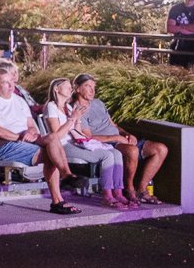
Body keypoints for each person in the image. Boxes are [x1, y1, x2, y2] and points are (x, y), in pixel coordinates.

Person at [0, 66, 78, 214]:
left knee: (53, 138)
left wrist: (31, 132)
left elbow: (31, 125)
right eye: (5, 82)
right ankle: (59, 198)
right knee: (51, 155)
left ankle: (66, 177)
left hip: (26, 141)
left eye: (11, 81)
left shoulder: (19, 100)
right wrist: (21, 137)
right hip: (5, 145)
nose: (11, 85)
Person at [70, 72, 168, 206]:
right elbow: (88, 137)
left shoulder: (98, 103)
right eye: (88, 86)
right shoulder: (77, 109)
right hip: (108, 144)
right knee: (132, 151)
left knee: (160, 149)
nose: (92, 90)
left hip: (120, 139)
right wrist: (116, 137)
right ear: (77, 88)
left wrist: (126, 134)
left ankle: (141, 189)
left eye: (94, 87)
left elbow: (113, 125)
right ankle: (129, 189)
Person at [45, 77, 128, 209]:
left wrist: (77, 119)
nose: (71, 89)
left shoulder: (68, 107)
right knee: (106, 156)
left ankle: (118, 192)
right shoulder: (51, 106)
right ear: (56, 89)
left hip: (76, 142)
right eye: (68, 87)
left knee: (116, 153)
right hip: (62, 146)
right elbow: (57, 136)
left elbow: (77, 132)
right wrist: (72, 118)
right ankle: (107, 195)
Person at [166, 0, 194, 68]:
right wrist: (192, 28)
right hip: (179, 45)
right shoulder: (175, 9)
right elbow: (169, 28)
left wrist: (180, 28)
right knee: (177, 72)